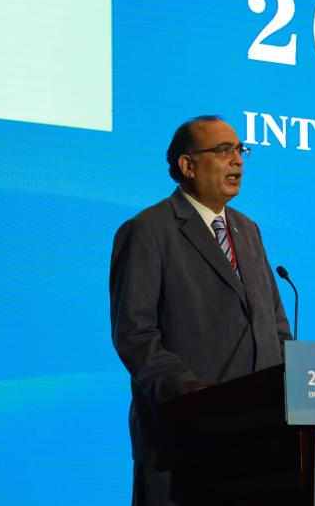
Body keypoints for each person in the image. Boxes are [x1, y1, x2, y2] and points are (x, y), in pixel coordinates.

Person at [109, 115, 293, 505]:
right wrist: (192, 396)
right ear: (187, 165)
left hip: (260, 445)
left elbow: (275, 327)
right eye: (223, 150)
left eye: (240, 150)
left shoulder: (248, 230)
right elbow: (135, 334)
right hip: (182, 445)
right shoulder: (148, 230)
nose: (237, 160)